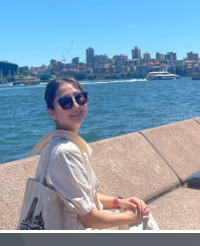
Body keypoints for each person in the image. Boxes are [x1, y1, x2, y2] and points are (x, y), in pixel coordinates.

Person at [25, 78, 152, 229]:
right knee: (142, 219)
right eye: (66, 102)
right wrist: (131, 217)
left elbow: (80, 199)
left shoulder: (55, 142)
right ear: (52, 112)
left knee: (136, 212)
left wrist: (118, 202)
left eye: (80, 98)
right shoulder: (65, 152)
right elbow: (89, 219)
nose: (76, 105)